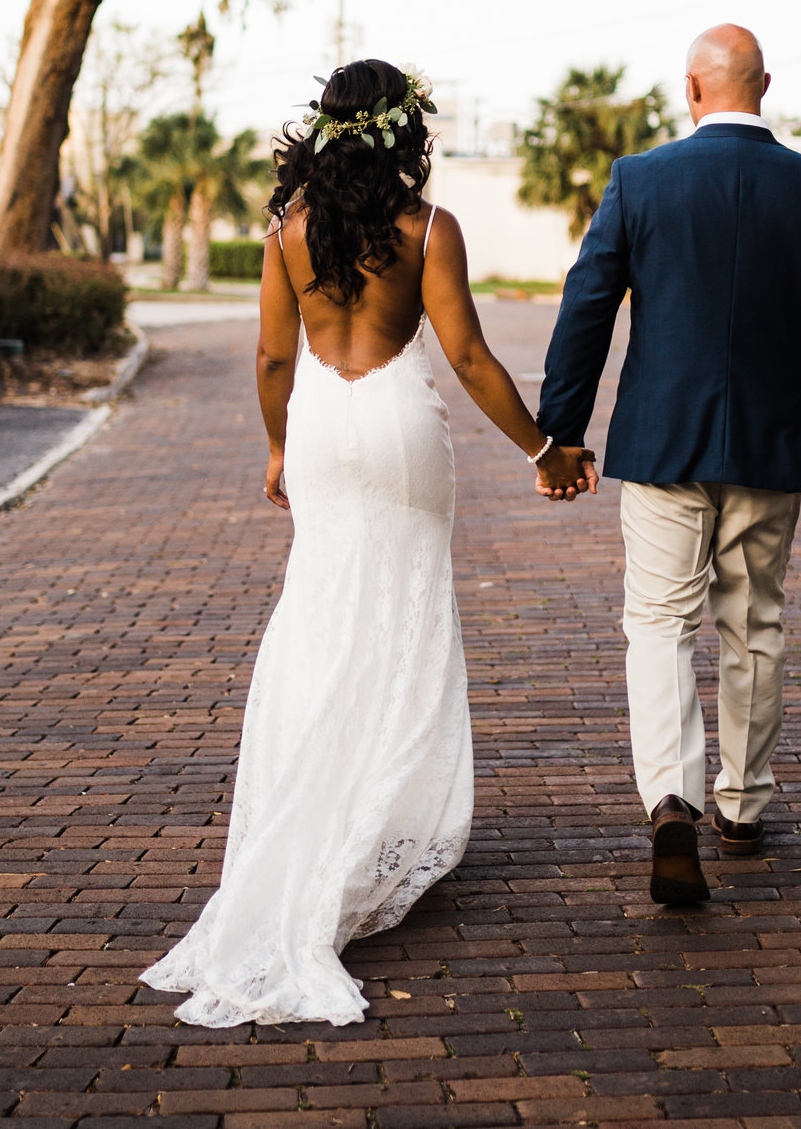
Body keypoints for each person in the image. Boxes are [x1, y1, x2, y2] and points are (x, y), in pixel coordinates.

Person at [141, 59, 590, 1028]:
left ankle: (313, 813)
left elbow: (270, 355)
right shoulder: (428, 228)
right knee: (401, 615)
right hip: (397, 422)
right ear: (404, 133)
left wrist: (274, 444)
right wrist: (544, 448)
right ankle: (379, 814)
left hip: (320, 428)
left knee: (320, 617)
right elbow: (465, 354)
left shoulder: (287, 233)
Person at [536, 23, 801, 905]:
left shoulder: (642, 179)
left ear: (691, 89)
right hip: (770, 445)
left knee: (658, 624)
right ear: (763, 85)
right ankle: (740, 805)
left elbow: (588, 305)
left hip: (661, 442)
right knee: (754, 621)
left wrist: (562, 431)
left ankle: (671, 799)